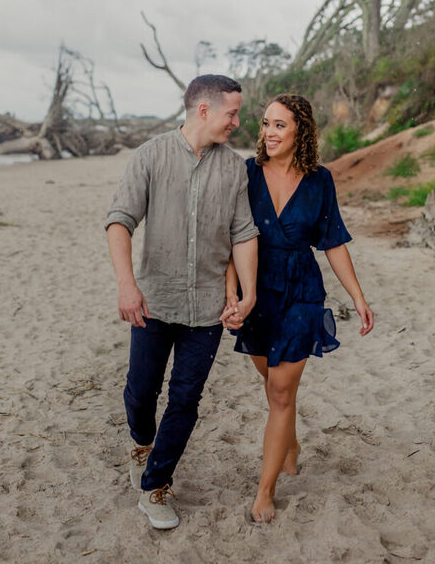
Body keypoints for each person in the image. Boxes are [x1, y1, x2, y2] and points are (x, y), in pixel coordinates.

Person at [105, 74, 258, 530]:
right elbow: (120, 221)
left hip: (207, 309)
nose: (237, 121)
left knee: (186, 399)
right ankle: (141, 442)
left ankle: (156, 485)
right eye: (232, 112)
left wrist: (246, 295)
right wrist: (126, 285)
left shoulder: (234, 167)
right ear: (204, 110)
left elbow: (243, 234)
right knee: (140, 391)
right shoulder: (150, 155)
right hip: (152, 303)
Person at [222, 93, 374, 523]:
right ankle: (289, 440)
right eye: (266, 124)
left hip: (301, 290)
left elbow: (334, 242)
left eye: (279, 126)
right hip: (255, 286)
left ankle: (264, 491)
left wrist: (358, 298)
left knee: (282, 392)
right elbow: (228, 239)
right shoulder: (245, 173)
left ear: (300, 131)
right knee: (271, 382)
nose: (268, 133)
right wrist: (231, 292)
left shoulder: (319, 180)